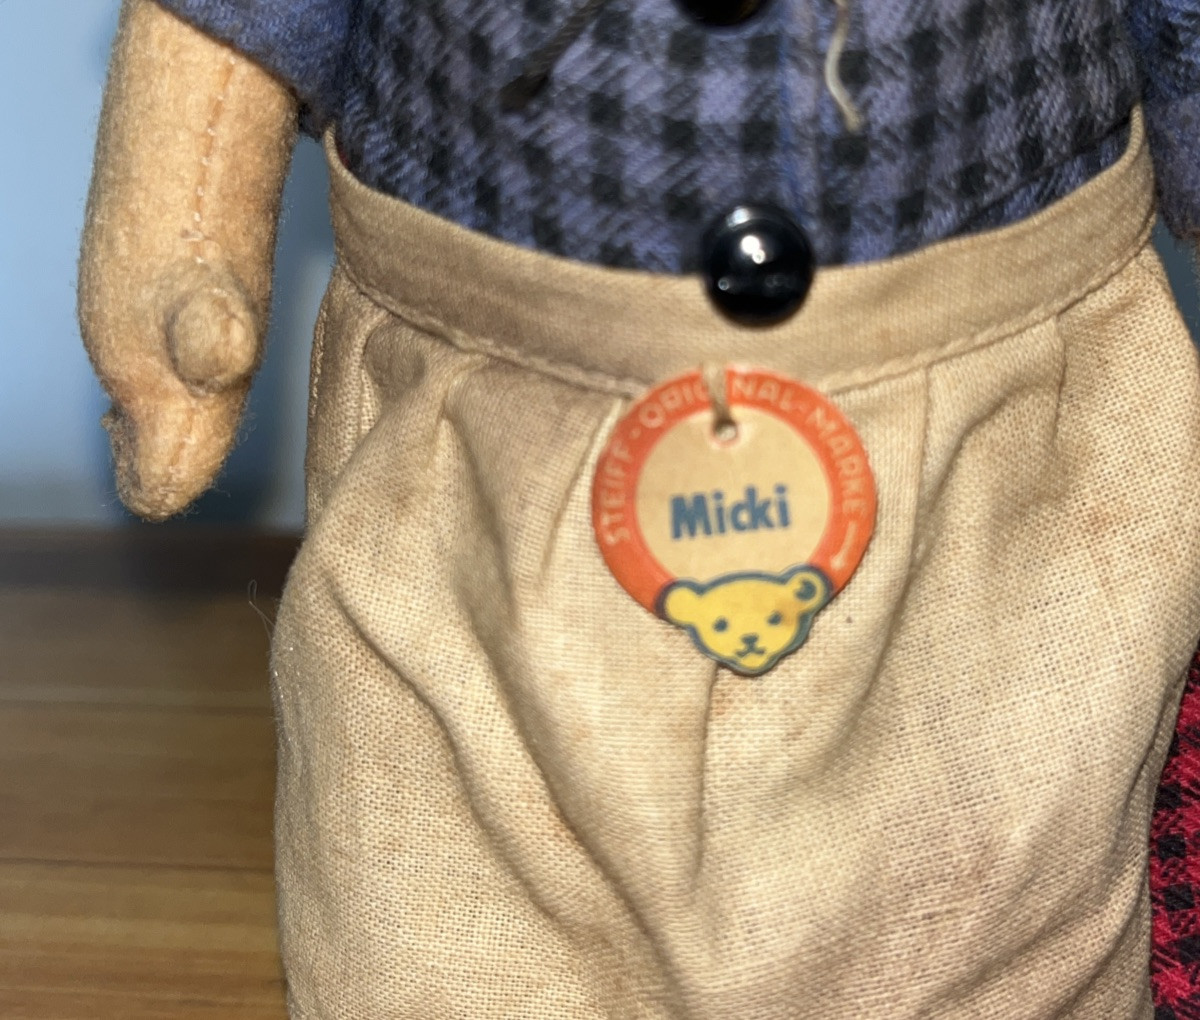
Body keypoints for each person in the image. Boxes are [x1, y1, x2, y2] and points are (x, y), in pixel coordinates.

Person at [80, 1, 1200, 1014]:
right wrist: (183, 227)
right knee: (436, 904)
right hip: (481, 468)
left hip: (1005, 471)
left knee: (1012, 887)